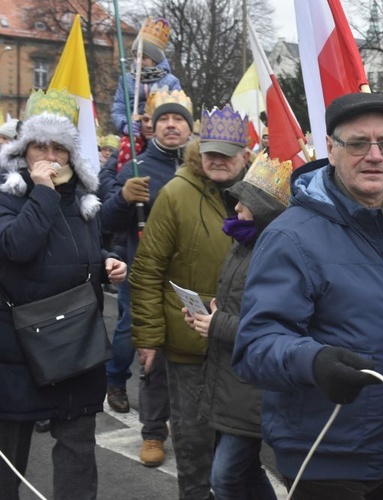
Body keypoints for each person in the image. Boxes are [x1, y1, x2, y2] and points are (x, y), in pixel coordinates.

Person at [232, 92, 383, 499]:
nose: (375, 155)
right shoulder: (290, 236)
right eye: (358, 143)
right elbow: (255, 345)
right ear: (330, 148)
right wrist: (314, 360)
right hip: (324, 451)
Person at [0, 88, 126, 499]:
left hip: (76, 346)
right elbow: (17, 247)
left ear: (71, 153)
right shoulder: (6, 193)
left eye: (59, 147)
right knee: (10, 458)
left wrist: (106, 262)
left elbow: (75, 250)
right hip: (18, 350)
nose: (49, 155)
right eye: (40, 145)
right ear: (25, 149)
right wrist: (42, 193)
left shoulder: (85, 199)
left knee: (76, 453)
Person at [130, 104, 249, 499]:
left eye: (227, 152)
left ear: (245, 155)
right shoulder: (176, 194)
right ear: (199, 150)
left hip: (239, 341)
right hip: (189, 345)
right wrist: (147, 338)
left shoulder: (259, 196)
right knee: (193, 440)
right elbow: (147, 270)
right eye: (211, 151)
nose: (218, 160)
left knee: (237, 447)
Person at [184, 153, 289, 500]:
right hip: (230, 378)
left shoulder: (273, 253)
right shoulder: (243, 242)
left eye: (245, 201)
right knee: (244, 470)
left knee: (226, 477)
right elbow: (235, 303)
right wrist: (208, 316)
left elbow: (271, 328)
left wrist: (218, 325)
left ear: (262, 209)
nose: (237, 207)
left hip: (251, 386)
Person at [100, 89, 193, 466]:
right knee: (147, 348)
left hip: (190, 279)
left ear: (190, 128)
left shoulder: (203, 165)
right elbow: (106, 222)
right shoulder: (137, 166)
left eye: (179, 119)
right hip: (147, 276)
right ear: (153, 127)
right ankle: (152, 430)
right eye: (165, 120)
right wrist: (123, 197)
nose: (171, 125)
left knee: (190, 352)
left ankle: (184, 423)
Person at [111, 17, 181, 136]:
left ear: (155, 60)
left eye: (143, 57)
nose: (137, 61)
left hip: (160, 134)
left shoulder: (171, 82)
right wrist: (125, 125)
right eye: (135, 56)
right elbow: (119, 108)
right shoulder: (126, 80)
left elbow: (177, 111)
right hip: (133, 135)